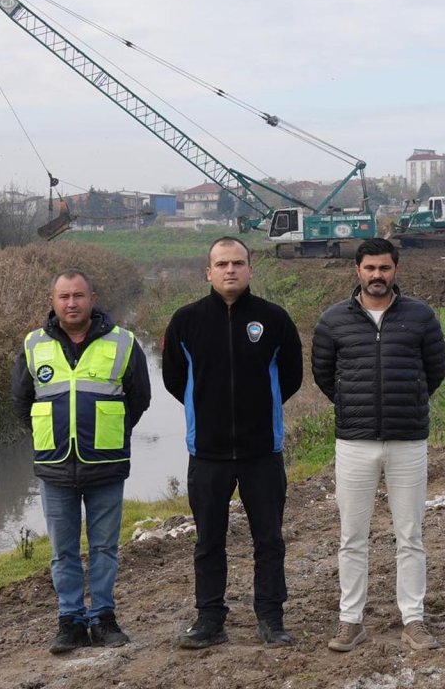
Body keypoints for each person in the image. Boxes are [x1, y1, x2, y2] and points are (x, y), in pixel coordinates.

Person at [162, 237, 303, 648]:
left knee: (270, 539)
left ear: (250, 269)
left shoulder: (274, 319)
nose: (230, 270)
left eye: (237, 263)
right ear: (208, 271)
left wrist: (260, 412)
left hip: (263, 452)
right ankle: (209, 619)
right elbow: (176, 380)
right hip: (207, 452)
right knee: (208, 540)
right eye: (221, 264)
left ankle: (271, 618)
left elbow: (290, 377)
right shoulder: (186, 321)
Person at [311, 238, 445, 652]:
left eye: (384, 268)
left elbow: (435, 370)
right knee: (352, 536)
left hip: (408, 441)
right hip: (354, 443)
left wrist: (405, 403)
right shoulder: (333, 320)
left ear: (395, 271)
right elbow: (324, 375)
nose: (377, 275)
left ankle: (414, 619)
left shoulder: (421, 317)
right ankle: (351, 621)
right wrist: (357, 407)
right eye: (370, 268)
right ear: (358, 270)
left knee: (410, 534)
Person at [10, 269, 151, 653]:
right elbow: (22, 402)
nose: (72, 303)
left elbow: (139, 399)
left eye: (79, 296)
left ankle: (103, 619)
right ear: (52, 301)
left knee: (105, 548)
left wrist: (110, 432)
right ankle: (70, 621)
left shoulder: (123, 342)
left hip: (105, 465)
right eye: (64, 297)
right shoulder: (34, 344)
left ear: (93, 297)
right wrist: (49, 433)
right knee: (63, 551)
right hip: (54, 467)